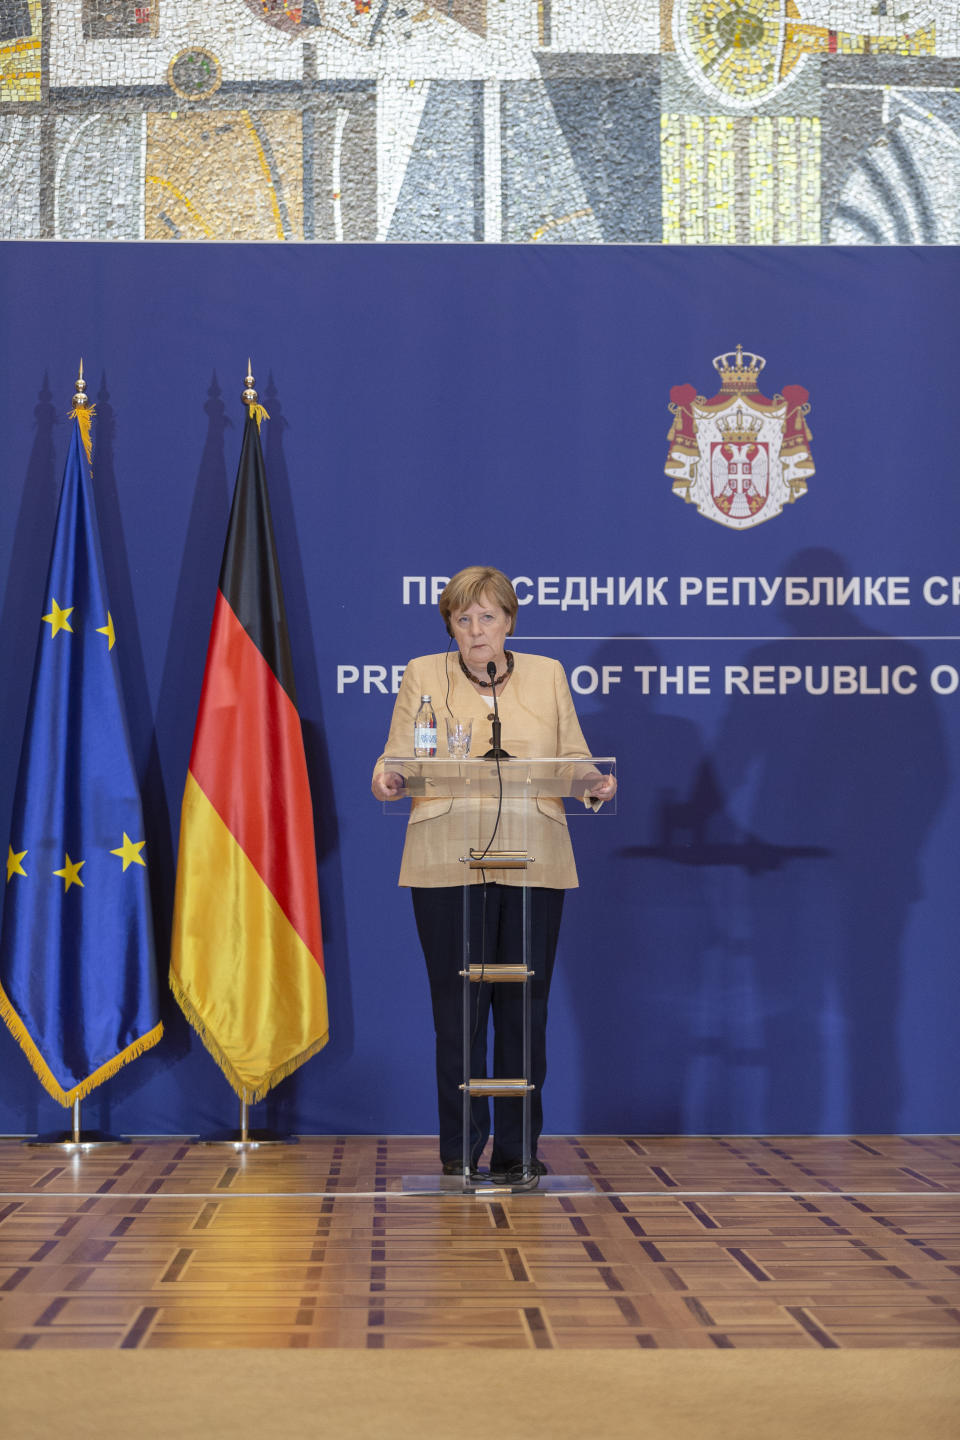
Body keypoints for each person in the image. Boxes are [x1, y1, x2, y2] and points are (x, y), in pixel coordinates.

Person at [372, 565, 615, 1185]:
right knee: (457, 1010)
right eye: (463, 618)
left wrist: (592, 782)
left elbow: (574, 756)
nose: (476, 631)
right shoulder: (423, 673)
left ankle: (518, 1151)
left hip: (534, 856)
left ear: (509, 621)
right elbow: (396, 755)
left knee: (524, 1010)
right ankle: (459, 1151)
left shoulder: (545, 674)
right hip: (446, 856)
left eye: (487, 617)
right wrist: (389, 778)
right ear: (449, 625)